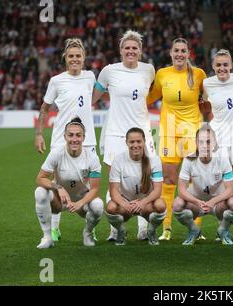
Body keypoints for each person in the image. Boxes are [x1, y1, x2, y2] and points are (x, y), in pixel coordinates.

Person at [92, 30, 156, 242]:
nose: (131, 51)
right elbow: (93, 97)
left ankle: (143, 228)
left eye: (134, 48)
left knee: (145, 180)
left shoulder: (149, 70)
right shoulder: (109, 71)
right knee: (115, 181)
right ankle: (115, 228)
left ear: (140, 51)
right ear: (121, 51)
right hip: (115, 133)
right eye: (127, 48)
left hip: (142, 132)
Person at [34, 38, 98, 242]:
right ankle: (54, 229)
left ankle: (90, 226)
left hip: (86, 141)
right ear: (65, 58)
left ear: (84, 58)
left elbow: (99, 95)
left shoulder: (90, 77)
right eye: (71, 56)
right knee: (56, 184)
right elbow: (45, 108)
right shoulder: (57, 80)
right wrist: (38, 134)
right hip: (61, 140)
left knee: (86, 187)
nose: (74, 59)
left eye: (78, 56)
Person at [147, 38, 207, 241]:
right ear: (170, 53)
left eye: (183, 51)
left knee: (194, 181)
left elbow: (209, 99)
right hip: (169, 132)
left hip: (192, 132)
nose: (179, 54)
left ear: (188, 53)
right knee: (169, 181)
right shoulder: (162, 74)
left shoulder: (198, 74)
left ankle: (196, 229)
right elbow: (149, 97)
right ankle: (167, 227)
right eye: (176, 51)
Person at [202, 49, 233, 240]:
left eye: (225, 65)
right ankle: (223, 226)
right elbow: (207, 108)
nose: (222, 68)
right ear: (213, 67)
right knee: (222, 187)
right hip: (219, 139)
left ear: (231, 65)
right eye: (218, 65)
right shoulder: (207, 83)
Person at [34, 117, 103, 249]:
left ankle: (87, 233)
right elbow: (40, 178)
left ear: (84, 137)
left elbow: (94, 189)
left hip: (82, 200)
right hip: (60, 200)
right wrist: (58, 187)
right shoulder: (56, 153)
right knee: (40, 192)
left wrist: (80, 203)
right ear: (65, 136)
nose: (74, 139)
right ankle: (47, 237)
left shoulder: (92, 158)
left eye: (78, 135)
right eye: (70, 135)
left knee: (98, 206)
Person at [172, 125, 233, 245]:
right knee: (177, 204)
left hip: (218, 204)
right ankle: (194, 230)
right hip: (196, 204)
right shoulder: (189, 159)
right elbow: (181, 190)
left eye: (209, 142)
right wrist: (197, 202)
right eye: (201, 142)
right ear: (196, 143)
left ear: (214, 143)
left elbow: (230, 190)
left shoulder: (222, 158)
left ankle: (223, 230)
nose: (205, 145)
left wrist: (212, 202)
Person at [105, 127, 166, 246]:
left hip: (145, 204)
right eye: (132, 142)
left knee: (160, 205)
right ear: (126, 142)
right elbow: (113, 191)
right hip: (126, 203)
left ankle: (151, 231)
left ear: (144, 141)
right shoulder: (118, 160)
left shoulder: (154, 160)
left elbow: (158, 190)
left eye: (139, 141)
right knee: (111, 207)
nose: (135, 145)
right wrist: (125, 204)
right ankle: (121, 231)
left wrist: (142, 203)